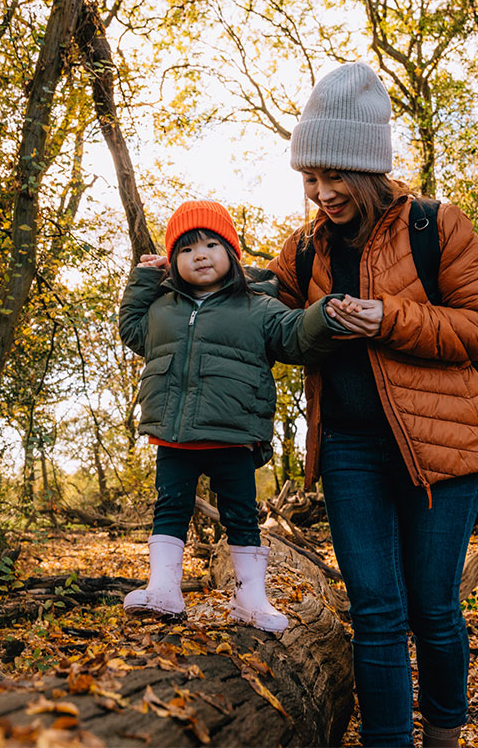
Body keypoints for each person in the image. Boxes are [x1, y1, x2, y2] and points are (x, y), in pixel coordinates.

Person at [268, 62, 478, 747]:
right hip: (352, 452)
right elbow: (262, 316)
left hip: (445, 448)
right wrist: (183, 268)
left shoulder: (434, 225)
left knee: (434, 607)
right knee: (377, 610)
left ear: (365, 167)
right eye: (311, 179)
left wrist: (391, 318)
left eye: (334, 176)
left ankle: (444, 736)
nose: (322, 193)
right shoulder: (302, 251)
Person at [119, 199, 349, 632]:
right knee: (169, 508)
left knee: (241, 514)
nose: (199, 255)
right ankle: (164, 588)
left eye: (210, 244)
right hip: (175, 434)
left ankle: (251, 599)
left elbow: (295, 338)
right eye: (186, 250)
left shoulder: (258, 306)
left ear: (232, 252)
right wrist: (145, 280)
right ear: (172, 262)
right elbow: (132, 329)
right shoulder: (163, 308)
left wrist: (324, 315)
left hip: (234, 434)